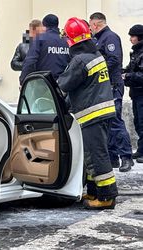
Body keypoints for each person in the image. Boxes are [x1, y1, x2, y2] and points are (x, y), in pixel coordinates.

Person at [58, 17, 118, 210]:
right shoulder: (96, 55)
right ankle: (94, 191)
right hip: (103, 112)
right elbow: (84, 87)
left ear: (71, 39)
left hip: (92, 114)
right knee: (91, 156)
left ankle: (107, 196)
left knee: (98, 155)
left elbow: (64, 85)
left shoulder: (79, 61)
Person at [89, 12, 133, 172]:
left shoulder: (109, 37)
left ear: (96, 24)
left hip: (113, 85)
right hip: (105, 86)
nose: (90, 29)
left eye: (90, 25)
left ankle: (126, 157)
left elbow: (114, 60)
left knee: (115, 122)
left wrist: (94, 70)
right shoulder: (99, 39)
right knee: (107, 122)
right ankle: (113, 157)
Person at [19, 14, 69, 86]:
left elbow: (30, 60)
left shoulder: (39, 38)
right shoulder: (66, 40)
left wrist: (23, 81)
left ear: (44, 25)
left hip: (43, 84)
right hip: (62, 84)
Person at [122, 24, 143, 163]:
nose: (130, 39)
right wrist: (122, 72)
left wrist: (127, 76)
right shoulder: (136, 52)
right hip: (136, 93)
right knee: (137, 122)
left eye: (132, 36)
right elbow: (130, 69)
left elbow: (141, 75)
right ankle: (141, 150)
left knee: (142, 123)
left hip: (141, 93)